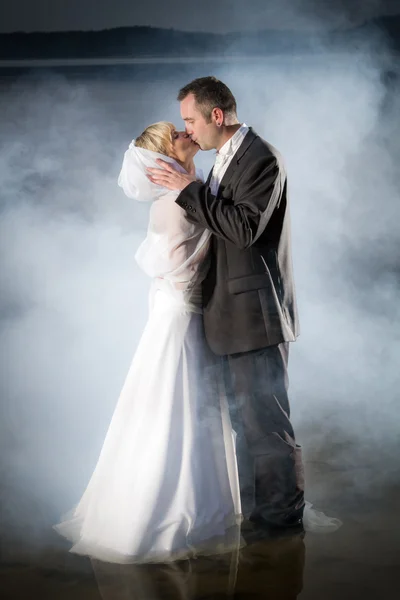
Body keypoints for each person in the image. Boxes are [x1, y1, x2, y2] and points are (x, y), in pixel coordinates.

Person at [53, 121, 242, 564]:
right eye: (177, 134)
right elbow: (177, 261)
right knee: (173, 405)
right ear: (165, 157)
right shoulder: (178, 202)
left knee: (188, 404)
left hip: (182, 311)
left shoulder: (190, 192)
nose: (185, 132)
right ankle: (163, 505)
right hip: (179, 315)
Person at [147, 76, 306, 534]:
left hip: (256, 318)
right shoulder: (221, 160)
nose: (188, 130)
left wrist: (186, 188)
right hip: (228, 317)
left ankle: (281, 525)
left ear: (217, 116)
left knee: (267, 428)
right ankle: (257, 518)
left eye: (191, 120)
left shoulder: (263, 158)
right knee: (244, 426)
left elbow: (242, 229)